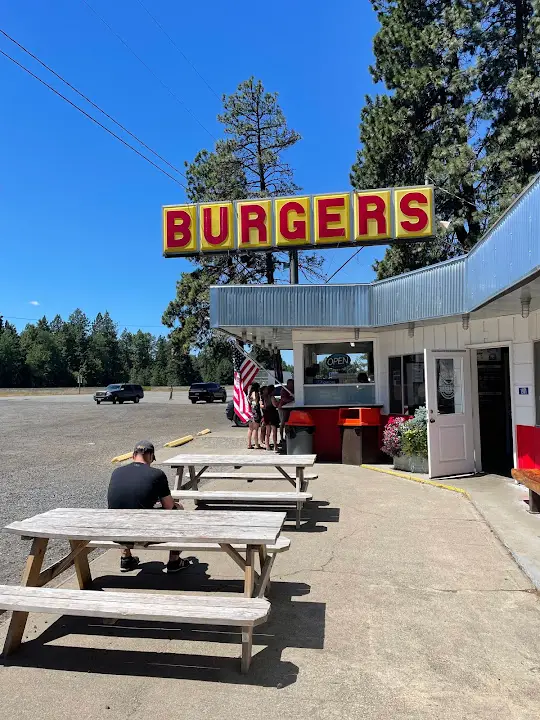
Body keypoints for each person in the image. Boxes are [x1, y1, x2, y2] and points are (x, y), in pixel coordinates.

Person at [107, 440, 190, 574]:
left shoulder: (116, 472)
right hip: (142, 534)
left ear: (133, 455)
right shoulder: (156, 474)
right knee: (178, 510)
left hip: (116, 533)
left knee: (123, 510)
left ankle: (126, 558)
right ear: (151, 456)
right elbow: (169, 507)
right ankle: (174, 561)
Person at [262, 384, 280, 452]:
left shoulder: (265, 397)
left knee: (268, 431)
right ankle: (275, 446)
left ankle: (267, 446)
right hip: (272, 414)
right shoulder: (272, 397)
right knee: (274, 431)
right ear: (272, 390)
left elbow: (264, 406)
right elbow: (275, 405)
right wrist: (278, 402)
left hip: (266, 414)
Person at [277, 378, 295, 445]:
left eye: (293, 383)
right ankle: (281, 438)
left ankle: (287, 436)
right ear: (288, 383)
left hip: (289, 408)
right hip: (282, 408)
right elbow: (284, 399)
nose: (292, 385)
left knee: (288, 423)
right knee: (282, 423)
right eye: (291, 383)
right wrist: (292, 399)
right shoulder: (284, 389)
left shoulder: (293, 389)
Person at [247, 383, 262, 449]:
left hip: (250, 412)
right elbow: (256, 401)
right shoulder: (255, 393)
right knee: (255, 428)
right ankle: (256, 444)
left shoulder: (249, 394)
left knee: (250, 428)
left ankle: (249, 444)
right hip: (255, 412)